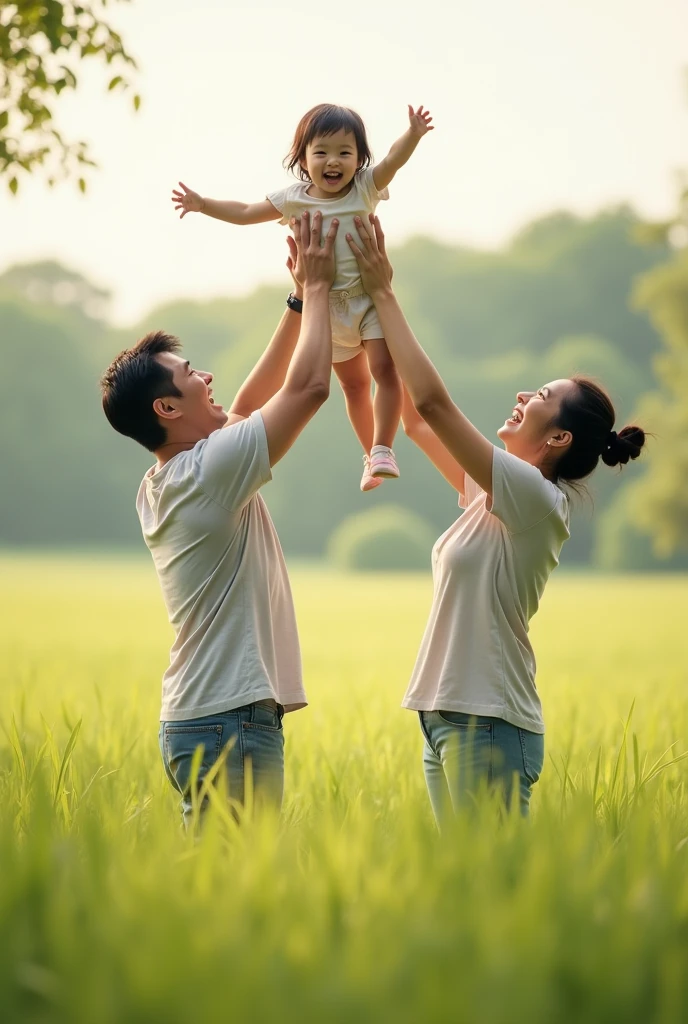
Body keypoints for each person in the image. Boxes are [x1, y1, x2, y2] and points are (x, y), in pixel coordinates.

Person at [347, 214, 646, 824]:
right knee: (463, 891)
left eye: (537, 397)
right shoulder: (495, 495)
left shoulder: (535, 496)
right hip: (445, 716)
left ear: (558, 436)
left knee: (491, 891)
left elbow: (433, 402)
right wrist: (351, 326)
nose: (521, 397)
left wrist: (384, 293)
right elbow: (417, 421)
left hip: (487, 721)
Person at [99, 212, 337, 827]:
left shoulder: (170, 478)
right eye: (190, 375)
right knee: (239, 897)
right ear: (168, 406)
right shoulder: (207, 474)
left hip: (204, 715)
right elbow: (309, 387)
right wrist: (317, 289)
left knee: (220, 885)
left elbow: (252, 406)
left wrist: (294, 302)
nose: (206, 377)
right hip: (229, 718)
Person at [170, 102, 434, 495]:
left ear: (360, 159)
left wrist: (412, 134)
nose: (333, 161)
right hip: (324, 310)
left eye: (345, 153)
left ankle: (382, 447)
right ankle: (369, 458)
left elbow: (394, 161)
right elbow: (244, 211)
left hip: (368, 301)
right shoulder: (294, 199)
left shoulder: (365, 187)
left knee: (384, 371)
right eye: (322, 152)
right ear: (303, 158)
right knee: (354, 386)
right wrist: (203, 204)